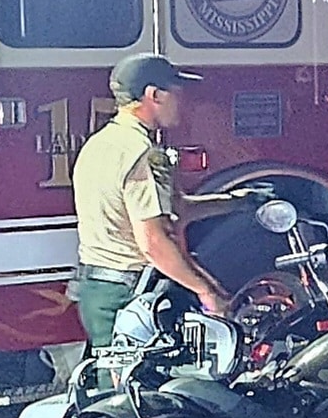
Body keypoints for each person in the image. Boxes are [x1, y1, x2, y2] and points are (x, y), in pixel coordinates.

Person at [69, 53, 226, 350]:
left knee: (109, 384)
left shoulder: (99, 144)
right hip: (128, 292)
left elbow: (175, 208)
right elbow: (153, 243)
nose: (184, 103)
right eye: (177, 94)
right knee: (135, 392)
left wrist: (236, 202)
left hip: (96, 289)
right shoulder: (143, 154)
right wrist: (205, 292)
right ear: (154, 95)